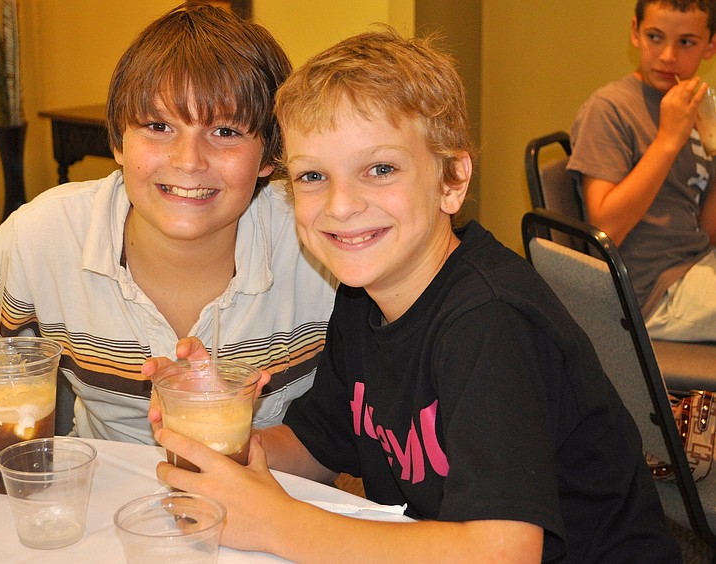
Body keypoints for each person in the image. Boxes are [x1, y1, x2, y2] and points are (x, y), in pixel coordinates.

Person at [150, 29, 682, 562]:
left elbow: (505, 551)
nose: (341, 205)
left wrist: (277, 524)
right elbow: (315, 447)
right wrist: (221, 425)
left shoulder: (489, 322)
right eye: (313, 175)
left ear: (452, 179)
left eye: (380, 169)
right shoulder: (363, 299)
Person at [0, 3, 335, 444]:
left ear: (269, 155)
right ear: (118, 140)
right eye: (158, 126)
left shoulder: (318, 242)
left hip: (277, 496)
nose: (188, 161)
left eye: (226, 132)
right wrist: (19, 479)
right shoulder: (45, 235)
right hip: (103, 496)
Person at [567, 0, 716, 342]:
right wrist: (667, 140)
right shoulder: (609, 109)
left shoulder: (694, 107)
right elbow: (605, 228)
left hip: (696, 266)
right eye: (655, 37)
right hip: (648, 293)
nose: (667, 56)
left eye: (686, 42)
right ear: (635, 32)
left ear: (710, 46)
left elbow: (707, 231)